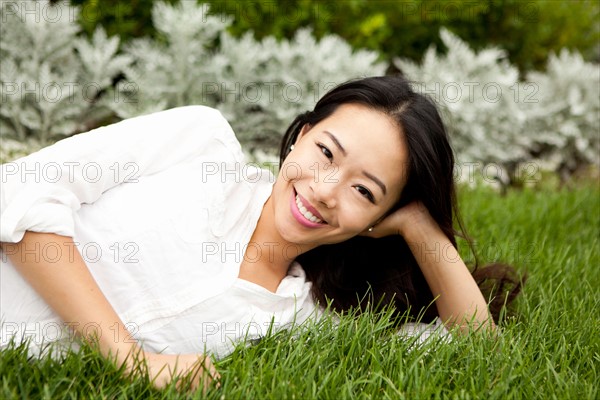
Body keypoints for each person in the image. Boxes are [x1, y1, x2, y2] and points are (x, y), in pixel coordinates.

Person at [0, 76, 522, 391]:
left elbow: (479, 348)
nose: (323, 190)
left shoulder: (313, 313)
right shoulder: (200, 146)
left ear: (375, 222)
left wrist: (418, 223)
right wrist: (130, 359)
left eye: (364, 191)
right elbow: (21, 194)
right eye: (325, 153)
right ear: (298, 136)